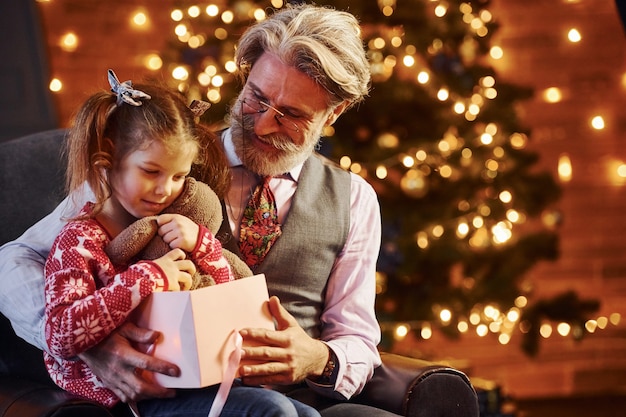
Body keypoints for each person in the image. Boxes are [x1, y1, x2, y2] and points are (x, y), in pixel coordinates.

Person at [0, 3, 395, 417]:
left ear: (334, 112)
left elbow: (357, 339)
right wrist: (94, 344)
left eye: (291, 115)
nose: (262, 125)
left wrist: (318, 358)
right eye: (256, 98)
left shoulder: (354, 199)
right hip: (179, 393)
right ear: (246, 76)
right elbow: (15, 259)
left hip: (296, 397)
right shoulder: (156, 163)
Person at [40, 69, 321, 417]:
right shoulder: (78, 241)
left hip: (201, 380)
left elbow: (227, 293)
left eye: (178, 176)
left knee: (307, 415)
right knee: (272, 411)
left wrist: (203, 246)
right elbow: (59, 335)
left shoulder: (173, 226)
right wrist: (148, 277)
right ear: (106, 164)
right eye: (150, 172)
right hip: (135, 397)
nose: (165, 190)